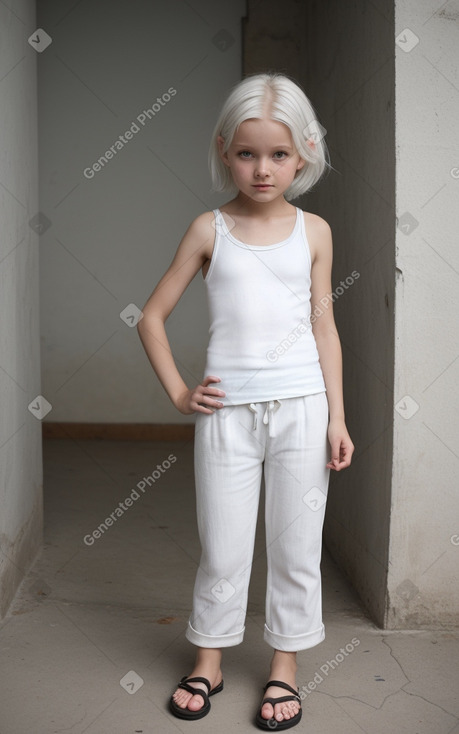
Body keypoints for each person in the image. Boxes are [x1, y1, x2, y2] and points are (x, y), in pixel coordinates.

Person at [137, 71, 354, 731]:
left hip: (302, 409)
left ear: (305, 152)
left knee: (294, 544)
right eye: (247, 153)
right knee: (224, 546)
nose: (262, 169)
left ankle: (283, 668)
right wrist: (180, 390)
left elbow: (323, 326)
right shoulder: (209, 229)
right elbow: (150, 316)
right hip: (227, 414)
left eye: (279, 154)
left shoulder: (313, 231)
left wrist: (337, 417)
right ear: (224, 150)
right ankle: (208, 661)